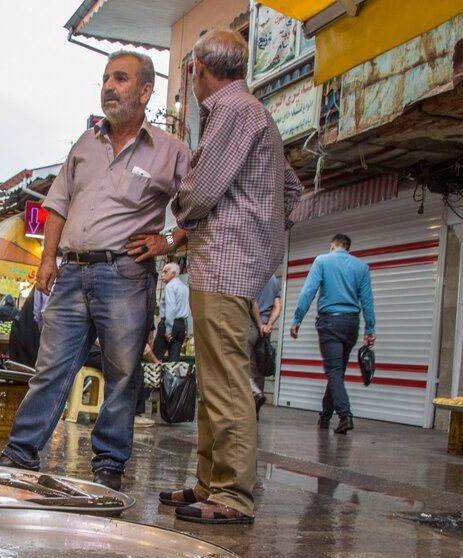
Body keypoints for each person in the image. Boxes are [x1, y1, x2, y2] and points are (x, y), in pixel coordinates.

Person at [0, 49, 190, 491]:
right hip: (71, 273)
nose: (109, 87)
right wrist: (47, 260)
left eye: (120, 79)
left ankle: (108, 464)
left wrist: (171, 241)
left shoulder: (171, 152)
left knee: (122, 375)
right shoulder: (86, 143)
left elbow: (200, 205)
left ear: (145, 91)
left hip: (125, 275)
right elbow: (58, 204)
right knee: (51, 368)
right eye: (105, 79)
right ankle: (20, 451)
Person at [145, 29, 302, 524]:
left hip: (226, 261)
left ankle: (231, 494)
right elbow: (292, 191)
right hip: (234, 259)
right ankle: (209, 483)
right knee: (214, 377)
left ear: (197, 72)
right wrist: (262, 231)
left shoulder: (232, 111)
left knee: (227, 382)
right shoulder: (255, 114)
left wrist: (184, 222)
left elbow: (199, 191)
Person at [290, 233, 376, 434]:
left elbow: (308, 291)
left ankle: (345, 415)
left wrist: (297, 319)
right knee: (337, 370)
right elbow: (367, 300)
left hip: (330, 322)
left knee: (334, 370)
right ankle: (325, 416)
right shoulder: (361, 267)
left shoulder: (322, 261)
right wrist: (370, 329)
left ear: (332, 246)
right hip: (351, 324)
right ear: (347, 248)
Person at [248, 274, 282, 417]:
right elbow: (277, 306)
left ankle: (253, 397)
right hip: (265, 331)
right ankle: (255, 409)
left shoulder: (254, 275)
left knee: (245, 365)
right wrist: (268, 325)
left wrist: (259, 324)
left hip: (251, 326)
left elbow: (252, 301)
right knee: (259, 369)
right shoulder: (274, 279)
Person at [153, 262, 190, 361]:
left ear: (173, 274)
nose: (162, 274)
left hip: (169, 324)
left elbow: (171, 308)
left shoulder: (170, 287)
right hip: (181, 325)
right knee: (174, 360)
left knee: (155, 357)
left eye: (165, 271)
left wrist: (168, 330)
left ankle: (154, 376)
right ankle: (174, 377)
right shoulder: (185, 288)